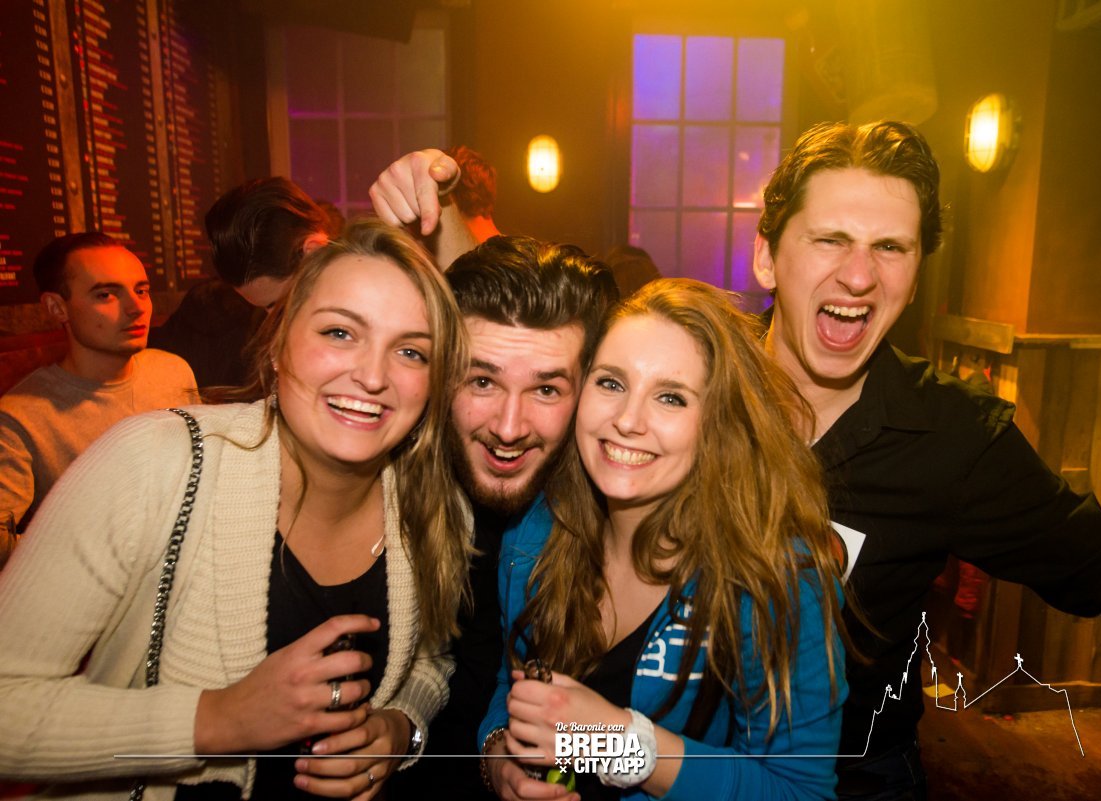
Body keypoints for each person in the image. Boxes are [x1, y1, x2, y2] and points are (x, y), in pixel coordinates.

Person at [751, 120, 1101, 799]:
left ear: (915, 274)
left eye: (891, 247)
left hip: (855, 774)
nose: (859, 275)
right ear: (767, 256)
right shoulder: (682, 387)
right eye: (830, 239)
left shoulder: (950, 435)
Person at [0, 219, 470, 800]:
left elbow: (433, 657)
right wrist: (216, 720)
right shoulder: (156, 461)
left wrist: (401, 728)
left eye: (410, 351)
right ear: (278, 345)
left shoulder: (433, 503)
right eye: (339, 333)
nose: (373, 376)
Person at [478, 279, 848, 801]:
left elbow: (799, 792)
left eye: (670, 397)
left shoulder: (775, 579)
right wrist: (497, 756)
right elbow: (512, 684)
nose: (628, 421)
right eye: (611, 383)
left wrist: (622, 745)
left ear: (719, 425)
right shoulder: (535, 533)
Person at [393, 236, 617, 800]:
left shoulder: (608, 517)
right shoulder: (387, 483)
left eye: (546, 388)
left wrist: (501, 756)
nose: (509, 427)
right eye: (483, 381)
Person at [0, 232, 197, 533]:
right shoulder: (20, 417)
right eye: (106, 294)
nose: (136, 307)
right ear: (57, 307)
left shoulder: (173, 371)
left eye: (141, 291)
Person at [152, 177, 334, 388]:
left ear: (313, 251)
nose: (273, 319)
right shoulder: (212, 312)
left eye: (278, 305)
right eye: (266, 308)